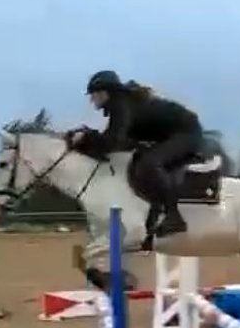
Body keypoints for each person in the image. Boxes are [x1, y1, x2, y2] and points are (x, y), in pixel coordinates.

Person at [70, 69, 205, 237]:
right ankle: (154, 215)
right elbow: (118, 142)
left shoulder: (121, 106)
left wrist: (84, 139)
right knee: (140, 162)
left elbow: (111, 142)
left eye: (93, 94)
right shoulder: (122, 105)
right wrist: (85, 142)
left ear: (105, 92)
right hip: (172, 134)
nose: (91, 100)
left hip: (187, 133)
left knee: (150, 162)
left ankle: (174, 217)